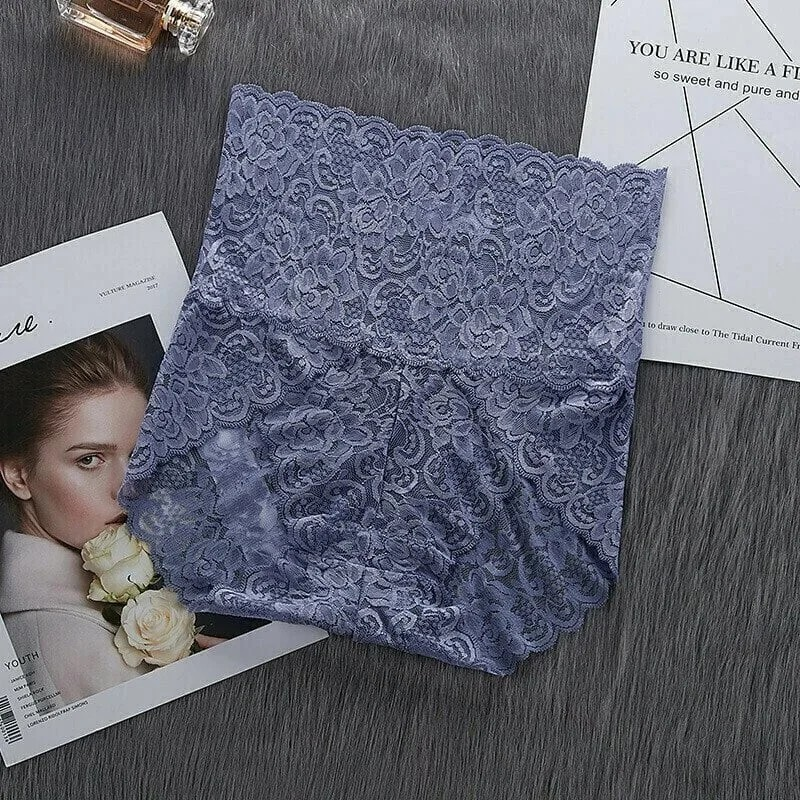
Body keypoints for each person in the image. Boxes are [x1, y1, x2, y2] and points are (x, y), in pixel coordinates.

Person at [0, 332, 222, 711]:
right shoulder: (72, 644)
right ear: (19, 476)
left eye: (138, 454)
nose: (129, 488)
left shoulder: (87, 593)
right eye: (89, 459)